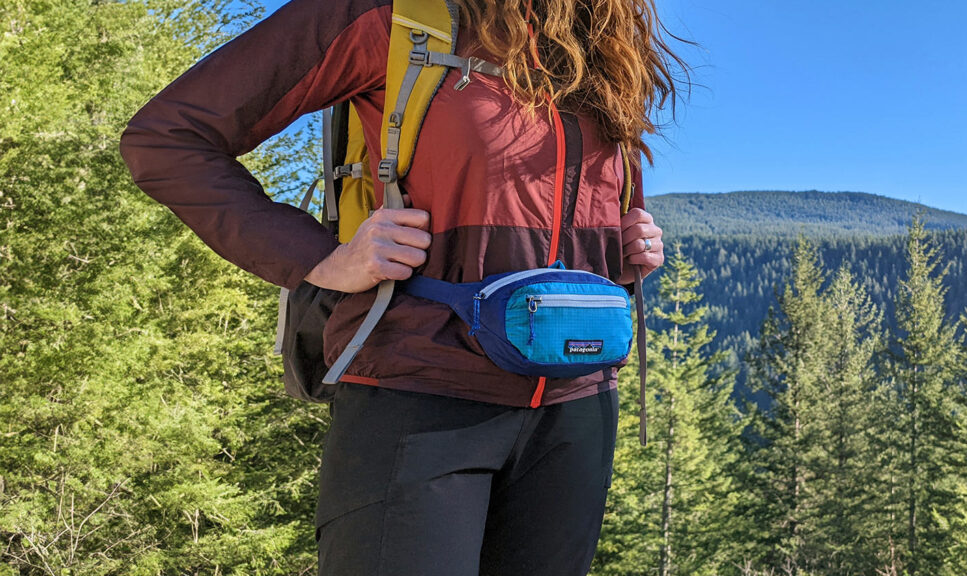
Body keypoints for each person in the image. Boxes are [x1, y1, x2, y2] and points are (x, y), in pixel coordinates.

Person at [120, 0, 685, 573]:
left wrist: (626, 251)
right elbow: (167, 139)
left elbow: (596, 205)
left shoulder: (601, 41)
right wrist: (323, 260)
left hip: (576, 409)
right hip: (418, 395)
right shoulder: (390, 15)